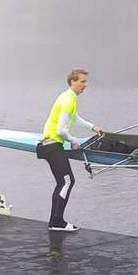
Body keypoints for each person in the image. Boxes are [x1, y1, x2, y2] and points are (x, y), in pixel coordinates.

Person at [37, 68, 102, 232]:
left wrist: (92, 127)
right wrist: (73, 141)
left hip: (49, 144)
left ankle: (55, 221)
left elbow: (75, 119)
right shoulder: (67, 100)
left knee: (63, 182)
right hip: (51, 145)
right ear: (73, 81)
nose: (85, 85)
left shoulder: (68, 97)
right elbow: (60, 130)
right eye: (82, 81)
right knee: (66, 182)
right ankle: (56, 222)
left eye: (86, 82)